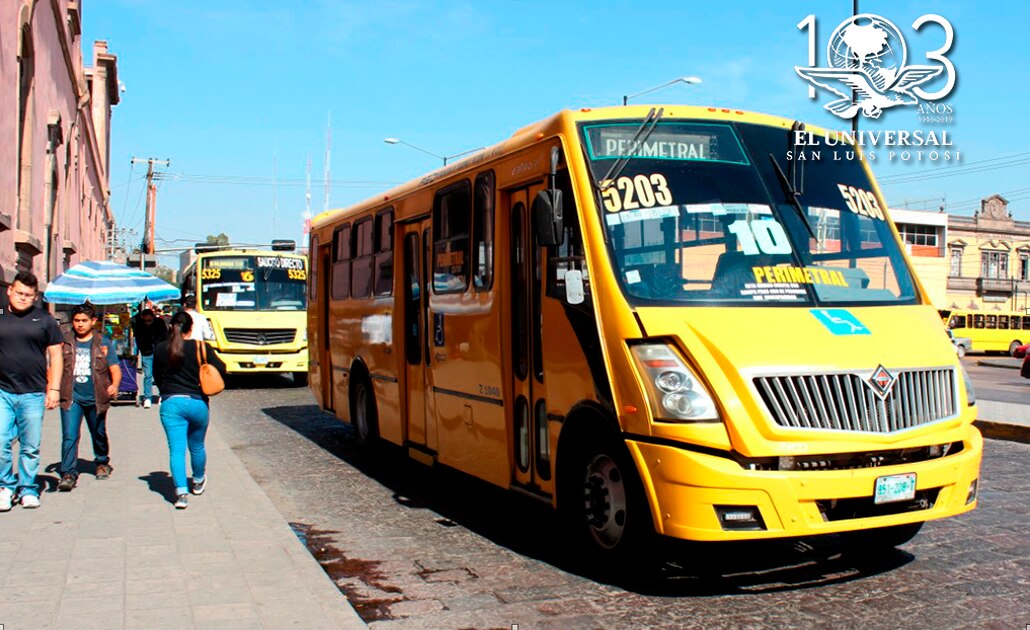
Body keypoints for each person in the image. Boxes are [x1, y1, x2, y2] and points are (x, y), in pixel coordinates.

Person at [0, 271, 63, 511]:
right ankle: (5, 485)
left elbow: (56, 355)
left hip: (33, 393)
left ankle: (27, 488)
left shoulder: (45, 320)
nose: (23, 298)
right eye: (19, 293)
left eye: (28, 295)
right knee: (1, 440)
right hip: (3, 390)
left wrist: (54, 389)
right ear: (9, 291)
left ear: (36, 296)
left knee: (30, 445)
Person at [153, 311, 226, 509]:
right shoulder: (202, 347)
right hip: (198, 403)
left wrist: (167, 392)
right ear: (191, 328)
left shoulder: (161, 349)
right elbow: (222, 367)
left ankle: (181, 494)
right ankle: (198, 480)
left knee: (176, 451)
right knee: (197, 446)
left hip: (171, 404)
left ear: (171, 327)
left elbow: (156, 376)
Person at [57, 303, 122, 491]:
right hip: (71, 397)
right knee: (69, 435)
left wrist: (115, 384)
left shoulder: (103, 342)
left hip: (96, 397)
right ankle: (68, 472)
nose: (80, 324)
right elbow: (55, 366)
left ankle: (102, 462)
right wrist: (52, 389)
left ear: (93, 321)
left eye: (84, 321)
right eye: (76, 321)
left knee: (98, 432)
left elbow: (115, 369)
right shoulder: (65, 341)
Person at [131, 307, 168, 409]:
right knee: (148, 375)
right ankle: (147, 397)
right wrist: (136, 353)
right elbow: (137, 340)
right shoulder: (139, 325)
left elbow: (165, 337)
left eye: (149, 320)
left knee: (160, 375)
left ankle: (162, 395)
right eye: (145, 321)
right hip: (146, 352)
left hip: (159, 352)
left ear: (153, 317)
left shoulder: (160, 323)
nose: (147, 323)